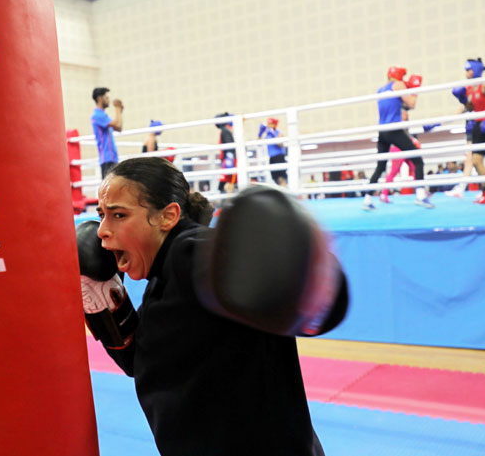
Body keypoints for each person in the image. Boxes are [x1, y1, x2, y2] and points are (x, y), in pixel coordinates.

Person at [78, 157, 349, 456]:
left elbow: (312, 304)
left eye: (118, 215)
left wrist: (307, 278)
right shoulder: (163, 277)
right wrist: (106, 302)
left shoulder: (190, 254)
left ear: (168, 216)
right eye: (102, 215)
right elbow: (139, 361)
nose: (102, 229)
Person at [362, 66, 433, 210]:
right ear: (399, 76)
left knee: (380, 166)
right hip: (394, 129)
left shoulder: (381, 90)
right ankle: (420, 196)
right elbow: (411, 104)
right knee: (418, 160)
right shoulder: (398, 85)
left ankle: (367, 200)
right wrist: (415, 90)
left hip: (382, 132)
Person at [446, 58, 485, 204]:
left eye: (469, 70)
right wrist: (462, 99)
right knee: (475, 162)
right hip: (476, 126)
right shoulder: (468, 88)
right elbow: (470, 108)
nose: (467, 73)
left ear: (476, 70)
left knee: (476, 160)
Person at [91, 87, 123, 178]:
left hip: (112, 157)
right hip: (107, 158)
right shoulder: (97, 115)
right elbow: (117, 123)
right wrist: (117, 108)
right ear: (99, 98)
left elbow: (119, 127)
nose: (108, 100)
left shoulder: (103, 115)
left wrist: (119, 110)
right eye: (106, 97)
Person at [258, 117, 287, 186]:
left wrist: (274, 135)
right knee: (275, 178)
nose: (268, 125)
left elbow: (281, 145)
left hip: (279, 156)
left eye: (270, 123)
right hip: (272, 157)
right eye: (268, 123)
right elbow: (258, 144)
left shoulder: (279, 133)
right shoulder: (267, 134)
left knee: (281, 177)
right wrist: (260, 133)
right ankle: (281, 192)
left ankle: (283, 193)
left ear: (274, 125)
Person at [216, 112, 237, 193]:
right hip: (228, 160)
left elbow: (230, 148)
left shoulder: (225, 131)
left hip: (229, 161)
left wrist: (229, 162)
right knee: (226, 184)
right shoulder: (225, 130)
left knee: (223, 186)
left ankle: (227, 203)